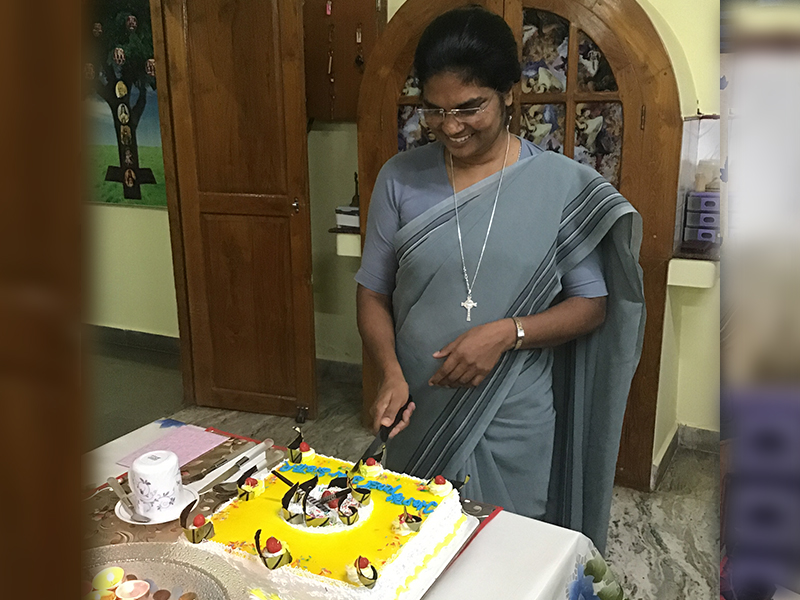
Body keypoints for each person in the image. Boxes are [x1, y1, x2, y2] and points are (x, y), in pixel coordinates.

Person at [355, 5, 645, 553]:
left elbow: (592, 306)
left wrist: (506, 333)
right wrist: (389, 373)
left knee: (507, 558)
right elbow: (372, 292)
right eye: (435, 110)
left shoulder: (558, 185)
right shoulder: (400, 178)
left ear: (510, 93)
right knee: (414, 552)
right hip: (419, 406)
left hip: (513, 416)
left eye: (470, 107)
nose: (451, 126)